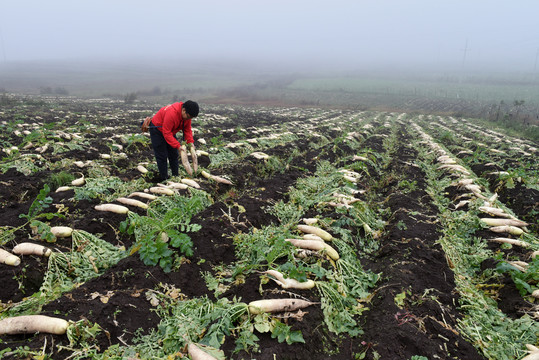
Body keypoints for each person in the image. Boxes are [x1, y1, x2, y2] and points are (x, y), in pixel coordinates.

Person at [148, 100, 199, 181]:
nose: (189, 119)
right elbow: (166, 133)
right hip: (157, 129)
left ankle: (175, 176)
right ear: (184, 110)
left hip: (170, 130)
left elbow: (187, 129)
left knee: (174, 154)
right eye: (189, 117)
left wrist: (190, 142)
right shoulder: (172, 113)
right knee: (162, 155)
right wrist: (177, 146)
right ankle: (164, 178)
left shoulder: (187, 116)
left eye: (191, 118)